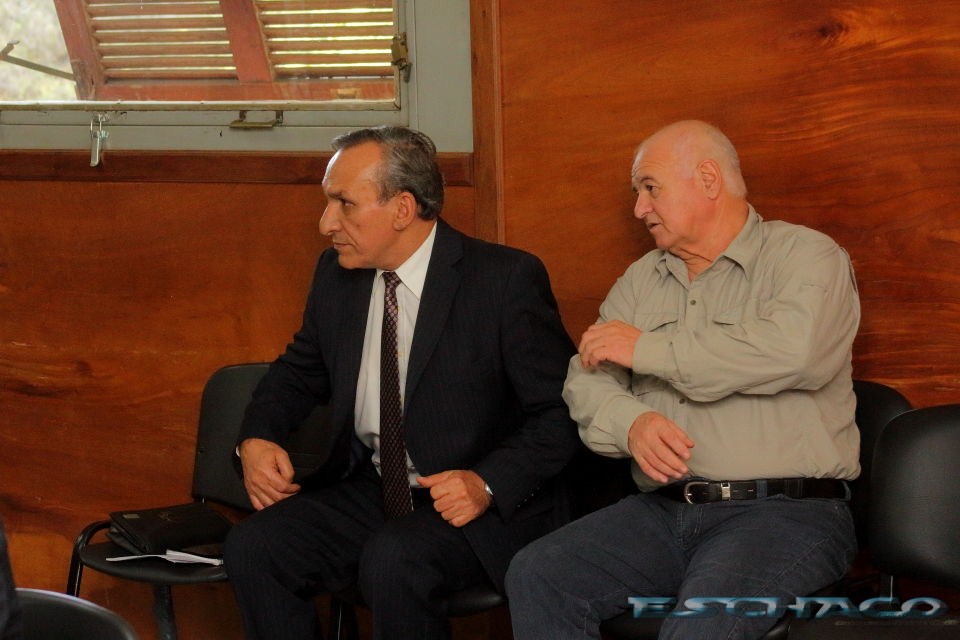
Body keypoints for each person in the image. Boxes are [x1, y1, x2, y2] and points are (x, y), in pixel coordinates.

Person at [506, 120, 861, 640]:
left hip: (786, 514)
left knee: (702, 623)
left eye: (650, 188)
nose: (639, 208)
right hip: (664, 510)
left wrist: (646, 349)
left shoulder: (805, 255)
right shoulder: (641, 279)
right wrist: (631, 423)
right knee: (539, 574)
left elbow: (796, 352)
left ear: (709, 179)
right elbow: (586, 379)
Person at [223, 125, 579, 640]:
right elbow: (300, 370)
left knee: (394, 560)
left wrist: (485, 483)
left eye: (344, 203)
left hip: (477, 500)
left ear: (402, 208)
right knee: (255, 546)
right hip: (376, 488)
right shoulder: (337, 274)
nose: (326, 223)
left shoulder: (503, 280)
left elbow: (561, 413)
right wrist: (257, 435)